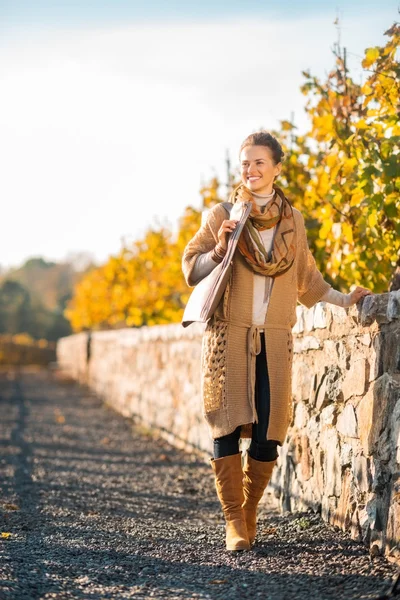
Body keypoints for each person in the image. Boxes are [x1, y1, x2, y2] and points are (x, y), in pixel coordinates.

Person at [182, 131, 372, 552]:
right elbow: (191, 269)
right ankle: (234, 522)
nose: (250, 170)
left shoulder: (293, 221)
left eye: (258, 162)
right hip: (228, 336)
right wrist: (218, 249)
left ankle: (250, 512)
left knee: (269, 430)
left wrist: (346, 300)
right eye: (245, 163)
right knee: (226, 423)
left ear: (276, 167)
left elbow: (306, 278)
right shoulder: (223, 214)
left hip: (276, 339)